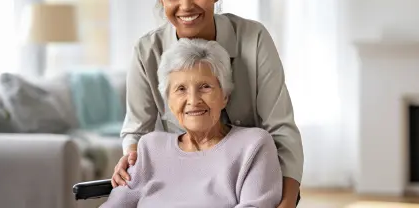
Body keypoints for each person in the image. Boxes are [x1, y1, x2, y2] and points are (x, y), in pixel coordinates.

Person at [113, 0, 304, 207]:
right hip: (180, 183)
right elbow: (136, 130)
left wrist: (286, 201)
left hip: (247, 179)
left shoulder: (254, 39)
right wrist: (133, 163)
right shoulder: (147, 51)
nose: (186, 5)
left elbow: (281, 129)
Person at [100, 38, 283, 207]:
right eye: (181, 89)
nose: (193, 100)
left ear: (224, 96)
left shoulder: (253, 146)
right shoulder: (150, 147)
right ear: (169, 103)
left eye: (205, 87)